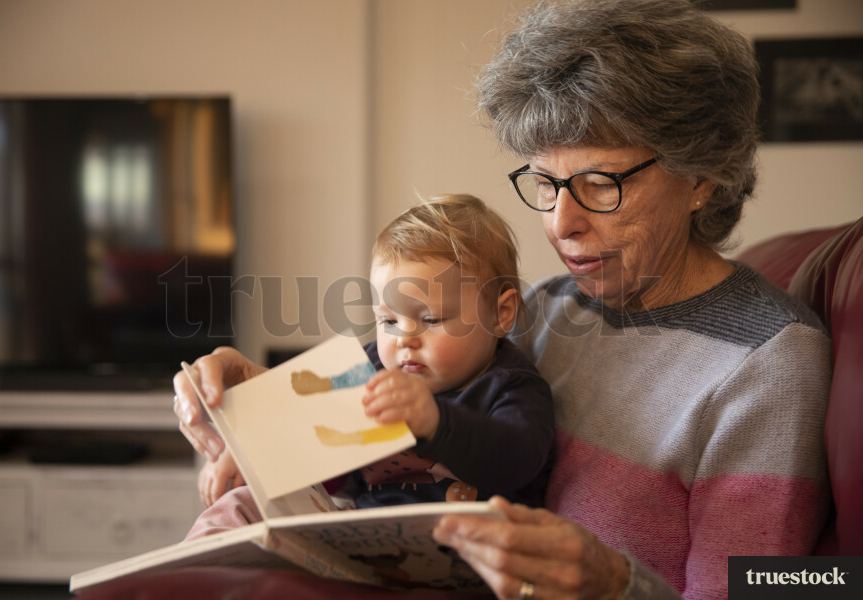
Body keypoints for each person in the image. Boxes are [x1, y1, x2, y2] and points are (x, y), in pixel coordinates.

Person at [175, 1, 832, 598]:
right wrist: (262, 411)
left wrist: (613, 583)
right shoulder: (549, 308)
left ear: (702, 178)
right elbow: (394, 379)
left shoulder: (769, 362)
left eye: (600, 183)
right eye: (545, 183)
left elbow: (780, 587)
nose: (561, 223)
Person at [179, 194, 555, 538]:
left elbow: (518, 461)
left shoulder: (511, 386)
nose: (404, 339)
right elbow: (313, 434)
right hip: (362, 538)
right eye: (388, 320)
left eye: (431, 319)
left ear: (501, 314)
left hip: (463, 551)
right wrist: (252, 449)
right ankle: (188, 574)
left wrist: (436, 422)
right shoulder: (373, 367)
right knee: (240, 505)